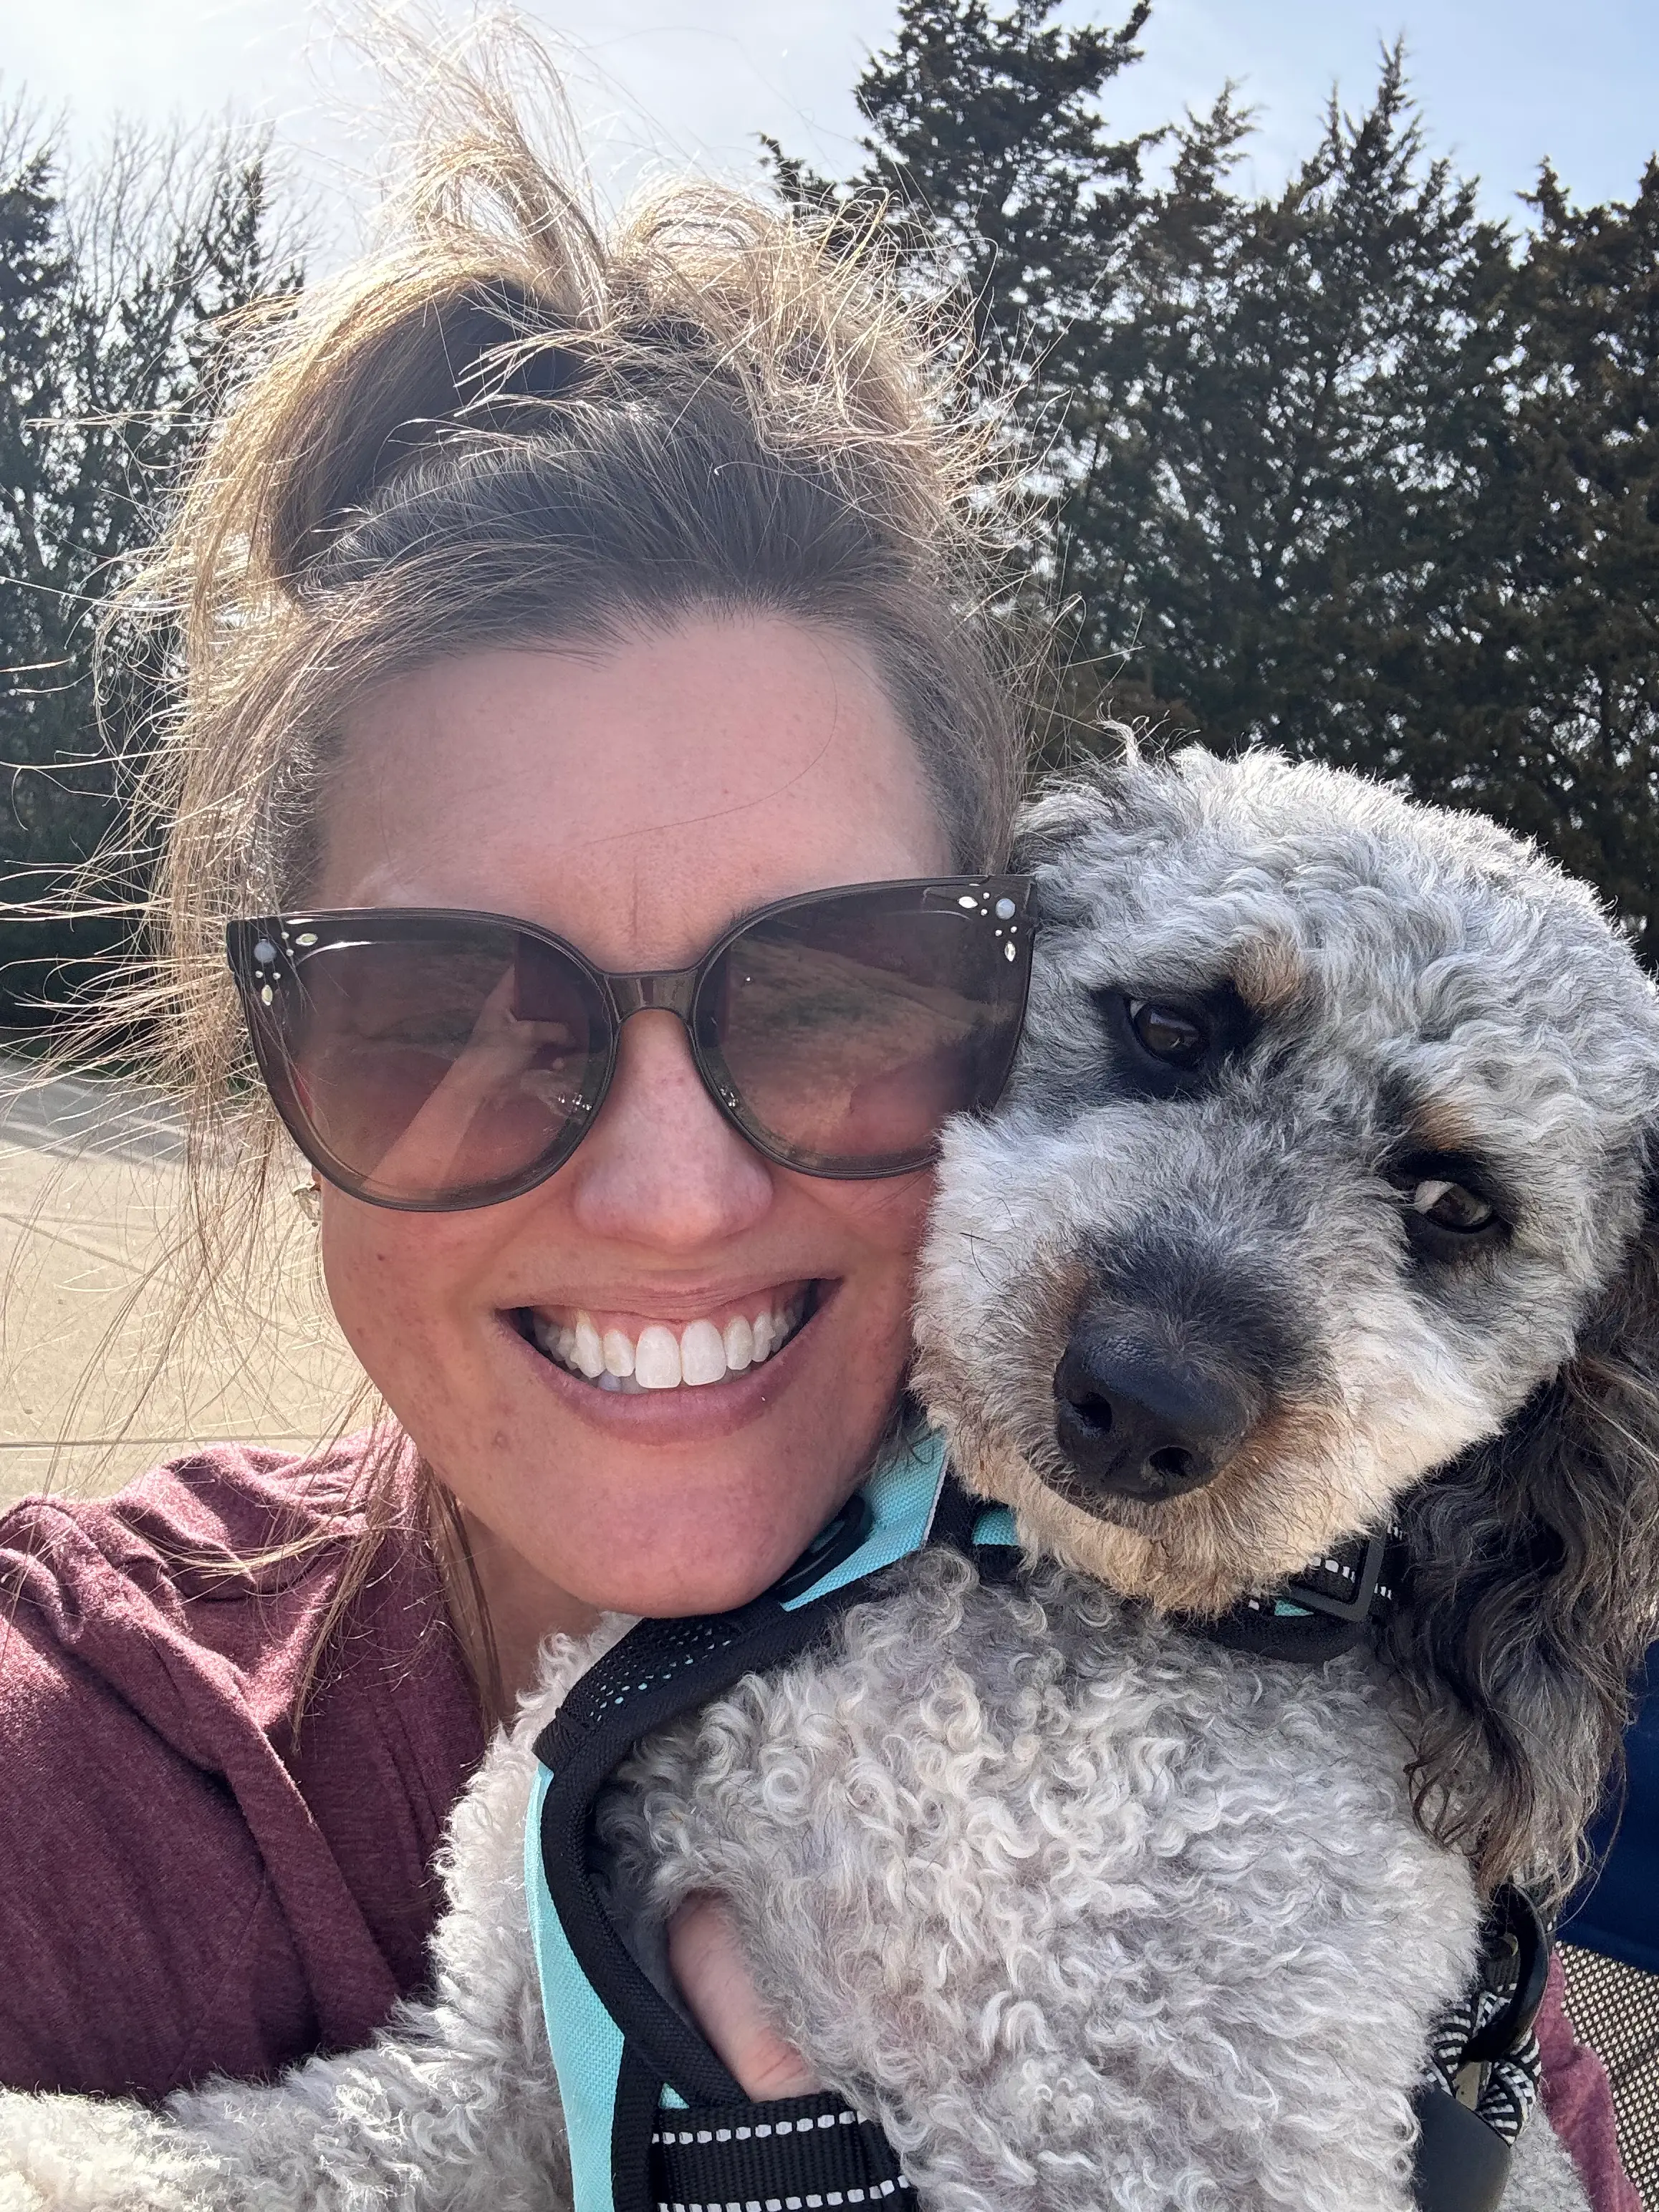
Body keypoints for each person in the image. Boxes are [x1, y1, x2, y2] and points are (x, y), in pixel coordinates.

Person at [0, 42, 1633, 2207]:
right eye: (444, 1005)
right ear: (254, 1058)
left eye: (828, 990)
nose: (666, 1192)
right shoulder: (78, 1777)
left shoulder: (1445, 1954)